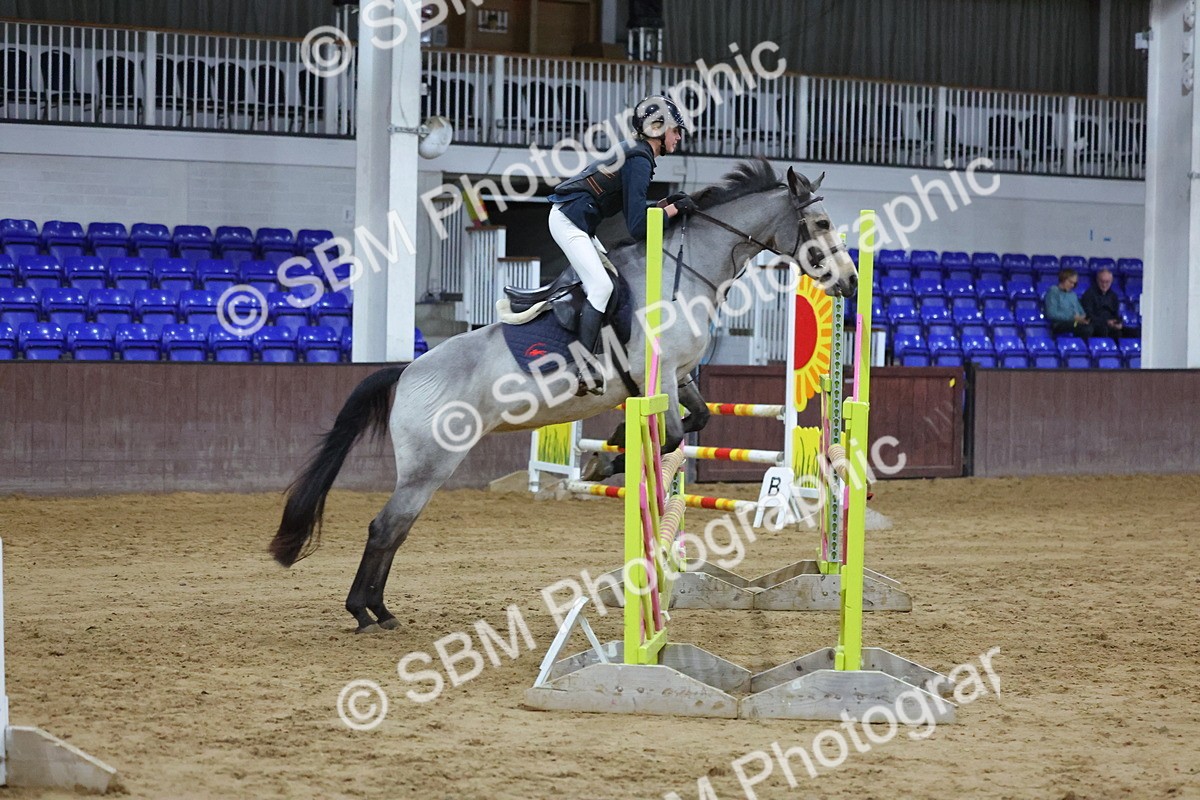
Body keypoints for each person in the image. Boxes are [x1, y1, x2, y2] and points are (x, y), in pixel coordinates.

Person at [546, 95, 695, 395]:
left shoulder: (638, 154)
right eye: (675, 130)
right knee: (601, 288)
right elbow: (639, 226)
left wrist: (666, 204)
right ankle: (582, 368)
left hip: (578, 221)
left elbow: (636, 210)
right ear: (657, 128)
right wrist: (672, 211)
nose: (678, 136)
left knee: (613, 283)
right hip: (568, 220)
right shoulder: (639, 159)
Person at [1043, 268, 1091, 338]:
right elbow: (1051, 313)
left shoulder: (1073, 295)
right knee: (1083, 328)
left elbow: (1081, 311)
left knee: (1093, 327)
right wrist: (1072, 317)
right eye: (1070, 282)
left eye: (1074, 283)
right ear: (1063, 279)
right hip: (1060, 324)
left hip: (1075, 322)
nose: (1072, 285)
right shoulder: (1053, 292)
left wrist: (1083, 318)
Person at [1080, 268, 1124, 338]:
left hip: (1110, 325)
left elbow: (1116, 314)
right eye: (1102, 282)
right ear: (1097, 280)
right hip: (1096, 324)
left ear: (1111, 281)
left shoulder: (1113, 296)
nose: (1104, 285)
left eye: (1107, 282)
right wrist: (1106, 322)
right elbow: (1088, 315)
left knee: (1134, 332)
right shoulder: (1089, 294)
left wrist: (1118, 323)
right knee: (1103, 330)